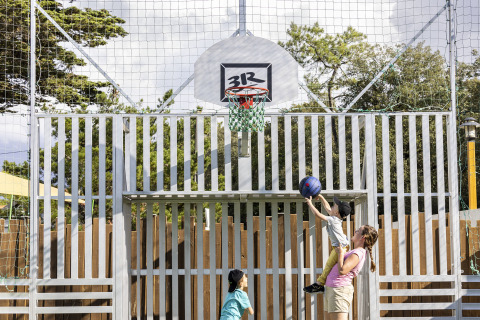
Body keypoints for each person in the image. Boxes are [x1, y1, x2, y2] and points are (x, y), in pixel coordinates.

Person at [323, 225, 378, 320]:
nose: (355, 231)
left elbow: (343, 270)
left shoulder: (358, 253)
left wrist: (341, 254)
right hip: (333, 289)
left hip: (339, 290)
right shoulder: (355, 251)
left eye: (357, 231)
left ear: (362, 237)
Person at [303, 195, 352, 294]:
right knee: (330, 265)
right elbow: (327, 207)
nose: (332, 206)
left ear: (337, 212)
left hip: (341, 247)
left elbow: (318, 214)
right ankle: (320, 283)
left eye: (334, 206)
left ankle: (319, 284)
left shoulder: (333, 220)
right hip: (342, 245)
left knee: (329, 265)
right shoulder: (335, 217)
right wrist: (321, 197)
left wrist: (310, 203)